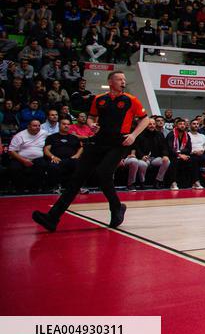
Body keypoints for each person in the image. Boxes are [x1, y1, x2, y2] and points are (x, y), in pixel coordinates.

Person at [32, 71, 150, 231]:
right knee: (77, 177)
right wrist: (91, 124)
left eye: (124, 79)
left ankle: (116, 208)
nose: (123, 81)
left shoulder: (131, 100)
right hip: (98, 141)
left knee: (103, 173)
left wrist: (134, 135)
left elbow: (145, 118)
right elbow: (91, 117)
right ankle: (53, 217)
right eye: (119, 79)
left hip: (118, 142)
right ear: (110, 81)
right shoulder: (99, 99)